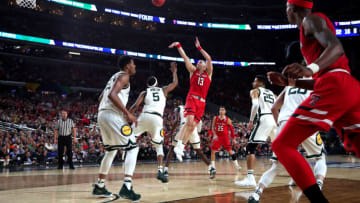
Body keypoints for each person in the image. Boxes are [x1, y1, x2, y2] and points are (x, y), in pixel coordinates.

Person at [267, 0, 360, 202]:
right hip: (348, 87)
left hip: (335, 83)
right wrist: (289, 82)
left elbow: (336, 48)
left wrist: (311, 69)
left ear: (292, 9)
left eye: (285, 9)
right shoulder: (311, 27)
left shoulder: (311, 20)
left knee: (282, 145)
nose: (285, 13)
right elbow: (321, 81)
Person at [248, 84, 327, 203]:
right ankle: (318, 188)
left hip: (286, 123)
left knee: (276, 167)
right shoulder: (314, 84)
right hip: (305, 121)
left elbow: (274, 108)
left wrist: (281, 126)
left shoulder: (289, 87)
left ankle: (256, 194)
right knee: (320, 157)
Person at [92, 56, 141, 201]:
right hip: (112, 116)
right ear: (127, 66)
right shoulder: (124, 76)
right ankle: (127, 187)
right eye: (133, 64)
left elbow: (102, 97)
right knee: (133, 147)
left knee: (111, 151)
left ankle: (100, 185)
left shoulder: (114, 77)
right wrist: (127, 114)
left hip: (102, 115)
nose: (135, 66)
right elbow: (113, 95)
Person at [169, 37, 216, 177]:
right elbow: (185, 58)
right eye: (199, 61)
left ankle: (181, 147)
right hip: (192, 99)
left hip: (202, 103)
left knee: (192, 127)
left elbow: (209, 58)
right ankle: (179, 146)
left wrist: (200, 48)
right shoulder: (193, 71)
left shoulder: (209, 74)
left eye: (201, 61)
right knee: (188, 123)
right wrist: (179, 46)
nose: (200, 62)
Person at [129, 62, 178, 183]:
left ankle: (110, 153)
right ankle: (160, 171)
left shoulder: (144, 92)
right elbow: (175, 83)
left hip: (145, 116)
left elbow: (135, 106)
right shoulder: (163, 90)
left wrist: (126, 114)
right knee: (159, 146)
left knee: (128, 136)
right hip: (157, 119)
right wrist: (174, 72)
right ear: (157, 84)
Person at [235, 75, 277, 187]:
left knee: (250, 147)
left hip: (264, 118)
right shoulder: (272, 93)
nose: (253, 83)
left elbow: (255, 105)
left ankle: (250, 178)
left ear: (260, 82)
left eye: (255, 80)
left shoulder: (255, 91)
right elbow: (279, 105)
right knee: (279, 147)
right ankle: (294, 175)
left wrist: (251, 120)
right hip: (274, 120)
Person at [164, 99, 211, 180]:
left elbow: (176, 121)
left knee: (172, 148)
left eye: (175, 102)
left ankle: (165, 170)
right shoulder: (191, 107)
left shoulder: (178, 108)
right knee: (198, 151)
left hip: (184, 127)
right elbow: (199, 121)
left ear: (179, 103)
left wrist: (170, 133)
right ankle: (211, 167)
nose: (174, 104)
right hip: (193, 128)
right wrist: (198, 131)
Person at [210, 106, 241, 177]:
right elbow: (212, 127)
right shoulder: (215, 118)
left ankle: (237, 165)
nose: (221, 111)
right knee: (213, 151)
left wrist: (233, 139)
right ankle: (213, 167)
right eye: (220, 110)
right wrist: (214, 135)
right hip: (217, 137)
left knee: (230, 152)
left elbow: (232, 130)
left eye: (222, 110)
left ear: (225, 111)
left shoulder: (228, 119)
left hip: (225, 137)